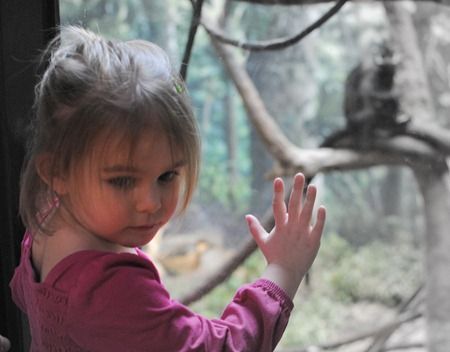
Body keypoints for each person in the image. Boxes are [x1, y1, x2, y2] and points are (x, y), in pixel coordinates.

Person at [10, 26, 326, 351]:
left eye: (167, 176)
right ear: (56, 172)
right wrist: (284, 271)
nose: (150, 202)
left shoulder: (46, 222)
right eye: (122, 180)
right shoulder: (112, 288)